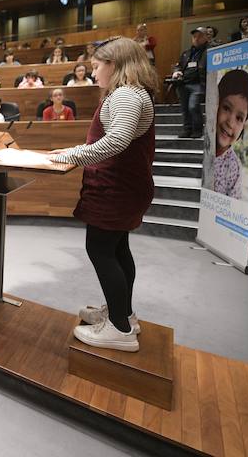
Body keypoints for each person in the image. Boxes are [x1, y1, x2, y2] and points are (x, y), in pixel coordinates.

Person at [49, 37, 159, 352]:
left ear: (115, 64)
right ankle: (124, 314)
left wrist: (71, 156)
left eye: (97, 66)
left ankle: (120, 331)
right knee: (118, 249)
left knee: (100, 249)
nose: (95, 73)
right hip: (124, 186)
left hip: (116, 187)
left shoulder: (125, 94)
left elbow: (116, 142)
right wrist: (72, 151)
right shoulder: (132, 93)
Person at [211, 69, 248, 199]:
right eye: (226, 108)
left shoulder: (234, 168)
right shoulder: (201, 144)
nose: (230, 123)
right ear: (216, 105)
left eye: (239, 118)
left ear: (244, 125)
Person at [171, 27, 209, 138]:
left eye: (200, 36)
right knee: (184, 108)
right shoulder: (186, 53)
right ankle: (187, 129)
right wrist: (177, 72)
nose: (196, 39)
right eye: (194, 36)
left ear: (206, 37)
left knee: (193, 106)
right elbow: (178, 66)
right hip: (183, 84)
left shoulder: (210, 51)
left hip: (198, 84)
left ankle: (198, 130)